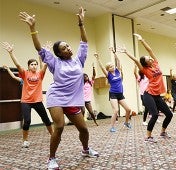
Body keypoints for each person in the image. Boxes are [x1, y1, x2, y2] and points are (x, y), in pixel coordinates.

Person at [19, 7, 99, 169]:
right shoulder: (55, 62)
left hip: (73, 100)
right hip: (56, 97)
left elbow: (84, 42)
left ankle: (85, 149)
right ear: (59, 53)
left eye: (68, 46)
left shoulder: (79, 60)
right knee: (60, 126)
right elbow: (39, 49)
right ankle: (52, 158)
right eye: (64, 48)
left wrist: (81, 23)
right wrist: (33, 28)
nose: (68, 48)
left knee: (84, 129)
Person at [122, 33, 173, 143]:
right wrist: (126, 53)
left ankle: (163, 132)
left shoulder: (155, 64)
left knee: (169, 114)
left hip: (157, 95)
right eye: (148, 59)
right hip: (148, 94)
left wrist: (142, 40)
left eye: (150, 58)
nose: (150, 58)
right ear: (145, 63)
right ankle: (148, 136)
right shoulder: (145, 70)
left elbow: (150, 50)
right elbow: (136, 60)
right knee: (154, 114)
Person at [1, 42, 53, 148]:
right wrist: (11, 53)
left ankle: (53, 135)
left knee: (46, 119)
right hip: (26, 101)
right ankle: (25, 140)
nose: (34, 66)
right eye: (32, 64)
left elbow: (45, 64)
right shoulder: (24, 74)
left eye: (35, 64)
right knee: (27, 121)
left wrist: (46, 52)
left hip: (38, 101)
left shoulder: (40, 74)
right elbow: (18, 65)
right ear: (28, 66)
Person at [94, 47, 132, 133]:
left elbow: (118, 61)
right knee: (116, 111)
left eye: (112, 65)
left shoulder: (118, 71)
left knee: (128, 110)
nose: (113, 66)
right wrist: (98, 58)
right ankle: (112, 127)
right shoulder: (108, 74)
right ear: (108, 69)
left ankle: (126, 123)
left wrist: (114, 53)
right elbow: (102, 68)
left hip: (120, 94)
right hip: (113, 94)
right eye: (110, 66)